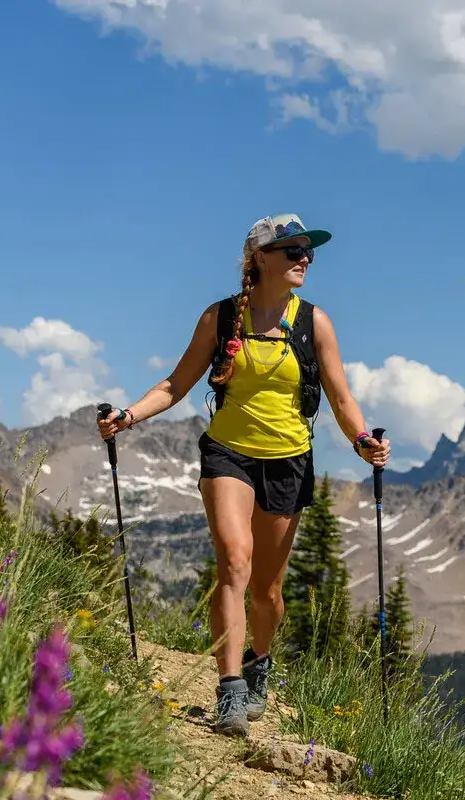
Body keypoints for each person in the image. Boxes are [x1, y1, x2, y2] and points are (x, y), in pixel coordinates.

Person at [96, 213, 391, 737]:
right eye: (292, 250)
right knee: (234, 560)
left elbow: (342, 396)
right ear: (259, 257)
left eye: (309, 251)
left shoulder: (314, 322)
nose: (304, 258)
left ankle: (259, 662)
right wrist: (128, 416)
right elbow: (177, 382)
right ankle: (230, 690)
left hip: (289, 460)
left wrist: (362, 440)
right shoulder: (221, 316)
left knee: (267, 591)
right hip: (227, 453)